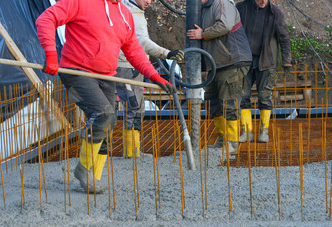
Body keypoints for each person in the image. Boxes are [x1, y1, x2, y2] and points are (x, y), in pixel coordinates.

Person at [36, 0, 175, 194]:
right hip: (78, 73)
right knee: (103, 114)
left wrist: (154, 75)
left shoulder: (124, 14)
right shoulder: (80, 2)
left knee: (107, 125)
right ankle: (83, 169)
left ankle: (94, 176)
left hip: (106, 75)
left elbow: (134, 50)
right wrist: (51, 53)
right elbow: (46, 19)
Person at [116, 0, 184, 158]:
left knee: (134, 107)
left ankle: (131, 151)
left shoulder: (133, 10)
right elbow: (141, 41)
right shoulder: (131, 13)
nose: (150, 2)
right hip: (126, 66)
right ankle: (131, 153)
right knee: (133, 108)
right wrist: (166, 53)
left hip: (131, 65)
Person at [187, 0, 252, 154]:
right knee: (214, 101)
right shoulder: (205, 8)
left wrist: (202, 34)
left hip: (232, 60)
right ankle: (223, 139)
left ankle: (232, 143)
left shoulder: (221, 3)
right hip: (218, 63)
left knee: (229, 103)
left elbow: (225, 25)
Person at [236, 0, 291, 143]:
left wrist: (287, 60)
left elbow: (284, 38)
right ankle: (247, 131)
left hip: (267, 62)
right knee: (243, 97)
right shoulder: (242, 8)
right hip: (245, 60)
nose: (262, 1)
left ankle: (263, 132)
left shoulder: (275, 13)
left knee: (264, 97)